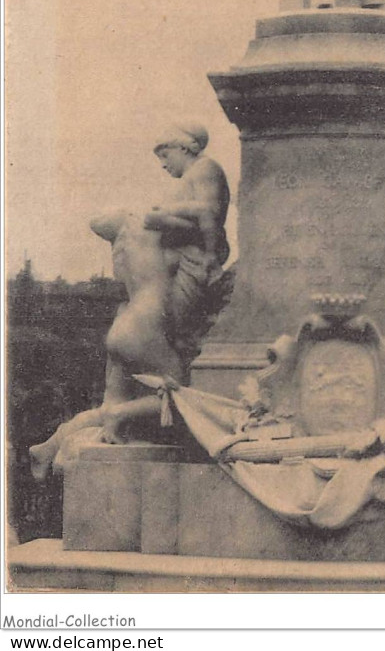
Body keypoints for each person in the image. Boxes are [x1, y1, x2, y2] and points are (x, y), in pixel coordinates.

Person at [29, 124, 232, 474]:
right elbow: (206, 217)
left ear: (183, 147)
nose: (163, 164)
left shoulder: (138, 235)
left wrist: (159, 216)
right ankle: (117, 418)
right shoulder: (161, 239)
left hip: (124, 324)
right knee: (178, 394)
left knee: (113, 402)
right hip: (146, 329)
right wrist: (210, 250)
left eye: (164, 154)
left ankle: (52, 443)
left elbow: (106, 221)